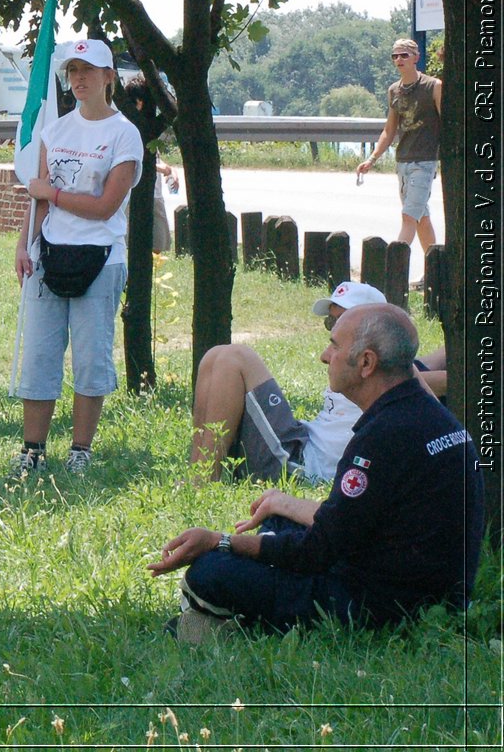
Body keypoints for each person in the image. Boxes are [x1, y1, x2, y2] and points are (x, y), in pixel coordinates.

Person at [150, 303, 484, 643]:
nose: (325, 356)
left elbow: (315, 552)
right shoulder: (427, 413)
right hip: (427, 588)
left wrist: (220, 543)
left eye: (335, 345)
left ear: (366, 363)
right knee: (280, 522)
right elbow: (356, 521)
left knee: (209, 572)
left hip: (384, 607)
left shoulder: (383, 437)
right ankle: (221, 618)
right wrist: (283, 509)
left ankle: (219, 622)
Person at [13, 39, 144, 476]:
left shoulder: (124, 135)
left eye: (89, 70)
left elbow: (106, 206)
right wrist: (23, 245)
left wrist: (52, 192)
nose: (80, 79)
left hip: (100, 260)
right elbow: (38, 203)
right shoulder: (56, 131)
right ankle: (32, 449)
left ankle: (80, 450)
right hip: (50, 256)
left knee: (91, 357)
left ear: (110, 77)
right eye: (72, 71)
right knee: (40, 355)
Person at [188, 281, 384, 483]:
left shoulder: (384, 366)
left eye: (343, 320)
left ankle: (204, 479)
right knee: (215, 356)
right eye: (331, 322)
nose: (335, 330)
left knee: (235, 357)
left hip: (305, 468)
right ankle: (198, 470)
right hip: (305, 443)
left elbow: (416, 380)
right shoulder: (350, 359)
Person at [357, 38, 442, 255]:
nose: (399, 59)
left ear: (416, 57)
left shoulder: (433, 86)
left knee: (408, 217)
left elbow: (446, 124)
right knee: (421, 218)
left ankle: (393, 268)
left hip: (424, 162)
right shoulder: (394, 90)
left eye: (404, 55)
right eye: (395, 55)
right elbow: (389, 129)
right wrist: (372, 159)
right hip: (402, 161)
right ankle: (434, 271)